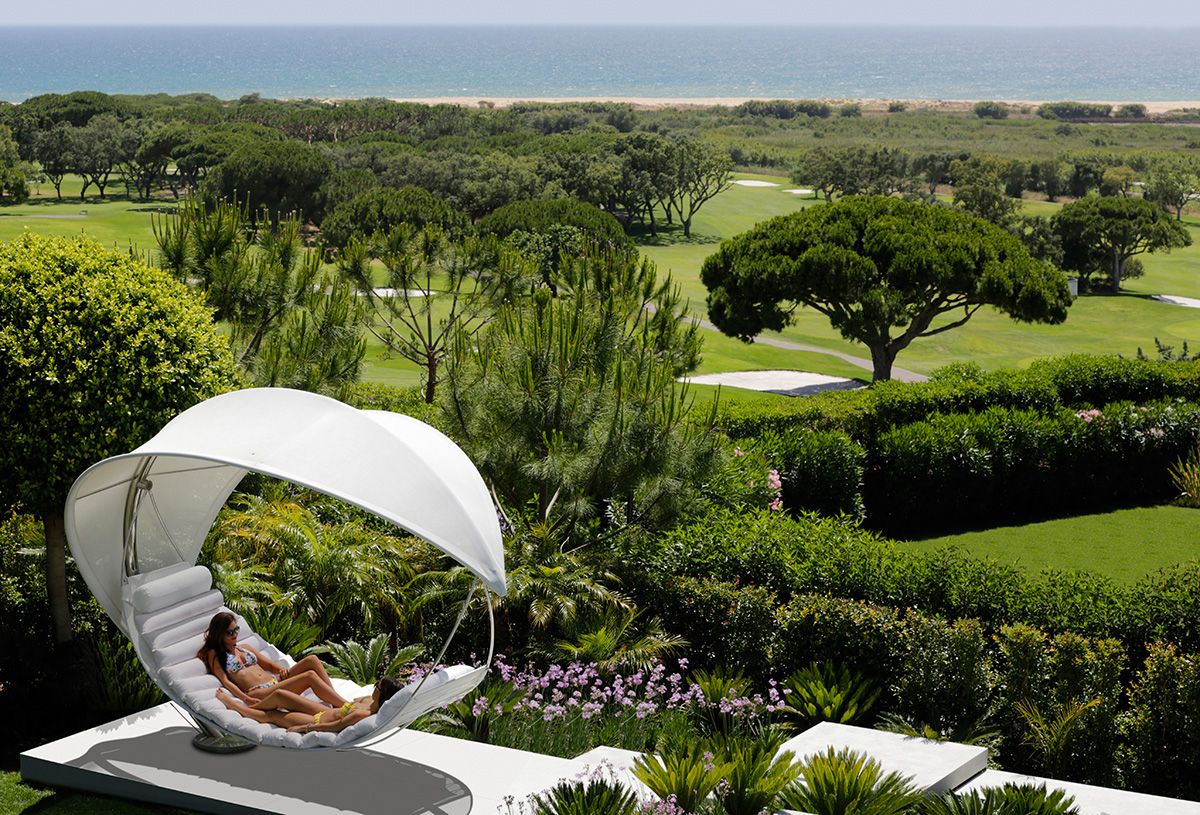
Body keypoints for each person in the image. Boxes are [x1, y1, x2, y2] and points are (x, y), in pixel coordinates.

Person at [197, 611, 347, 714]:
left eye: (236, 629)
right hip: (259, 691)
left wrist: (282, 670)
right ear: (219, 634)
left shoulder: (245, 648)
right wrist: (246, 698)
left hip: (275, 682)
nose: (235, 635)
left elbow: (269, 665)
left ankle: (335, 700)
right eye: (230, 633)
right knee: (309, 676)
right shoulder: (215, 654)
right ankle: (345, 706)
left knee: (312, 660)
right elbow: (225, 681)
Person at [214, 676, 404, 735]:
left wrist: (304, 728)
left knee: (272, 714)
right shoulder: (370, 702)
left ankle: (234, 706)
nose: (374, 685)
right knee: (280, 694)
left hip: (316, 720)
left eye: (377, 685)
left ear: (381, 692)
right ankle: (254, 706)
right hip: (327, 711)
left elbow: (334, 727)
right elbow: (351, 703)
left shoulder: (363, 716)